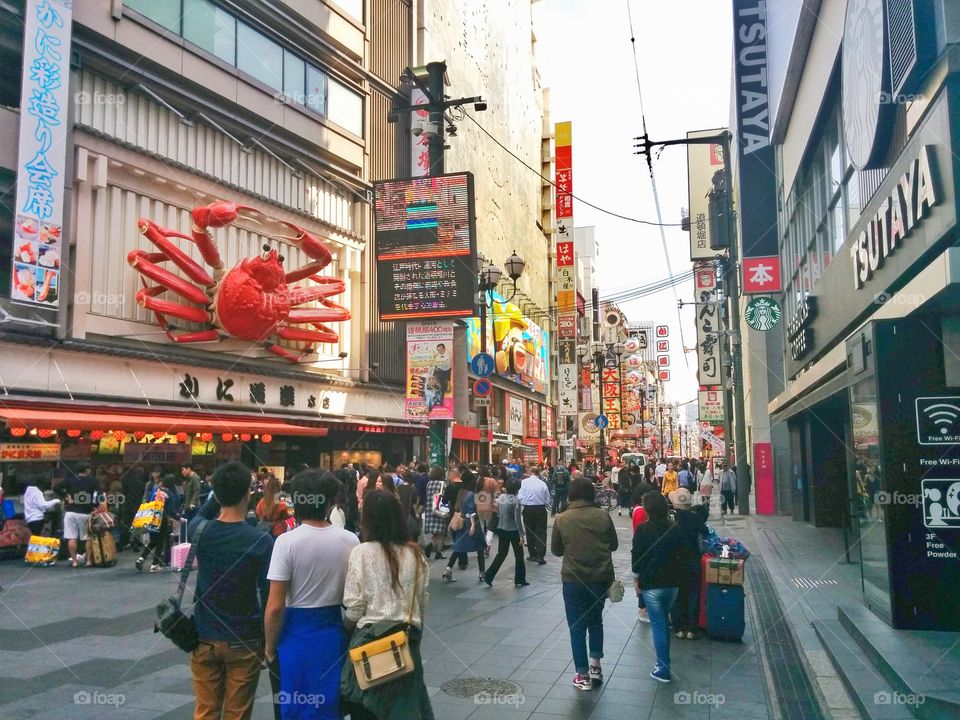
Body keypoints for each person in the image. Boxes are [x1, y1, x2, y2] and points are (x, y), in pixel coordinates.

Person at [263, 471, 359, 720]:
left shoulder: (286, 543)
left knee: (294, 707)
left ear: (297, 501)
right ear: (328, 503)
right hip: (333, 634)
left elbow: (275, 607)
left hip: (294, 637)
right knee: (329, 707)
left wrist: (269, 647)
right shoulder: (350, 540)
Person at [189, 461, 274, 720]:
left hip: (203, 635)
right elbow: (268, 594)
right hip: (244, 638)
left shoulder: (199, 530)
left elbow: (202, 513)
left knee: (205, 712)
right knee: (237, 714)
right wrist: (268, 644)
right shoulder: (261, 540)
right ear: (249, 494)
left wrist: (218, 494)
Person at [341, 490, 434, 720]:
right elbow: (421, 603)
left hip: (369, 646)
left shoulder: (361, 553)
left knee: (367, 706)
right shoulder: (415, 554)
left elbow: (354, 608)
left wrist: (343, 631)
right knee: (404, 708)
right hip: (404, 641)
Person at [551, 478, 619, 691]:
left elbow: (556, 550)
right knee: (596, 622)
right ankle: (596, 666)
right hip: (600, 578)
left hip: (573, 579)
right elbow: (614, 545)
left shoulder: (562, 518)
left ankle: (582, 675)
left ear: (571, 495)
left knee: (577, 627)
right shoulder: (603, 516)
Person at [632, 491, 687, 683]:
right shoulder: (675, 528)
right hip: (672, 584)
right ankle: (663, 664)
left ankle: (663, 668)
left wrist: (636, 579)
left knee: (659, 625)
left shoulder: (642, 530)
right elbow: (683, 555)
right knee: (663, 622)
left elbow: (636, 558)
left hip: (652, 584)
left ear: (648, 510)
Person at [668, 488, 708, 640]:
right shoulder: (695, 518)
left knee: (678, 594)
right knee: (693, 594)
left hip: (676, 561)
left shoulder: (671, 519)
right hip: (693, 560)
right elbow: (705, 532)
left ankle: (679, 628)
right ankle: (692, 629)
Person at [442, 473, 487, 582]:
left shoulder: (461, 493)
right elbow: (472, 511)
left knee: (459, 547)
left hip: (460, 522)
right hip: (470, 523)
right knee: (480, 547)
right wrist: (472, 526)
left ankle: (448, 569)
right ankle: (482, 572)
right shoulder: (471, 494)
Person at [483, 477, 527, 587]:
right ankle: (520, 578)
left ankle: (489, 575)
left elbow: (497, 512)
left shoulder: (501, 498)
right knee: (519, 555)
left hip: (501, 528)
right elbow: (517, 519)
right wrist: (522, 534)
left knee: (501, 554)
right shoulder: (516, 500)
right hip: (513, 530)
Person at [136, 473, 180, 572]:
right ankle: (154, 564)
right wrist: (178, 518)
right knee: (160, 541)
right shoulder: (171, 494)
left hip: (152, 516)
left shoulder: (156, 490)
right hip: (162, 518)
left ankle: (142, 558)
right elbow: (171, 511)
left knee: (154, 540)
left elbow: (149, 501)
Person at [61, 461, 99, 568]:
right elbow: (99, 493)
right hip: (85, 512)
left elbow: (56, 487)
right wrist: (95, 505)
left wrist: (66, 496)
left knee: (71, 537)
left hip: (70, 512)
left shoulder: (70, 480)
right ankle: (88, 561)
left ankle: (74, 562)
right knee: (88, 537)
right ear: (87, 470)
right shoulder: (93, 481)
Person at [630, 483, 658, 623]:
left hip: (640, 546)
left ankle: (644, 607)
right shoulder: (641, 511)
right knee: (643, 576)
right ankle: (643, 609)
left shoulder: (637, 509)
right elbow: (643, 530)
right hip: (643, 547)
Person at [518, 465, 551, 565]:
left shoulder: (524, 482)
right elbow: (548, 499)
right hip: (540, 509)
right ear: (538, 473)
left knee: (530, 531)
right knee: (541, 532)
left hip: (528, 509)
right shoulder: (543, 484)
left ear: (530, 472)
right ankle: (540, 555)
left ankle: (532, 554)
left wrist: (526, 502)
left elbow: (520, 496)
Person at [422, 466, 449, 560]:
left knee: (436, 531)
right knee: (441, 532)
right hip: (439, 510)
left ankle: (430, 544)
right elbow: (445, 496)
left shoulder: (429, 484)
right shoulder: (442, 484)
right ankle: (438, 551)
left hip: (430, 510)